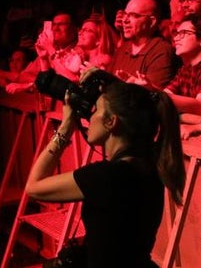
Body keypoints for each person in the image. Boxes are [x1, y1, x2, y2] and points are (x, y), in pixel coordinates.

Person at [24, 71, 185, 268]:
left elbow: (34, 186)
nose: (89, 116)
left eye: (96, 110)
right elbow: (138, 107)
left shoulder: (108, 176)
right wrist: (110, 83)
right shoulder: (149, 164)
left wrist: (65, 128)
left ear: (111, 122)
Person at [110, 0, 179, 89]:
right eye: (125, 14)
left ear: (151, 21)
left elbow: (152, 97)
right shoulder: (123, 49)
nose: (125, 20)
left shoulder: (162, 51)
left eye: (134, 15)